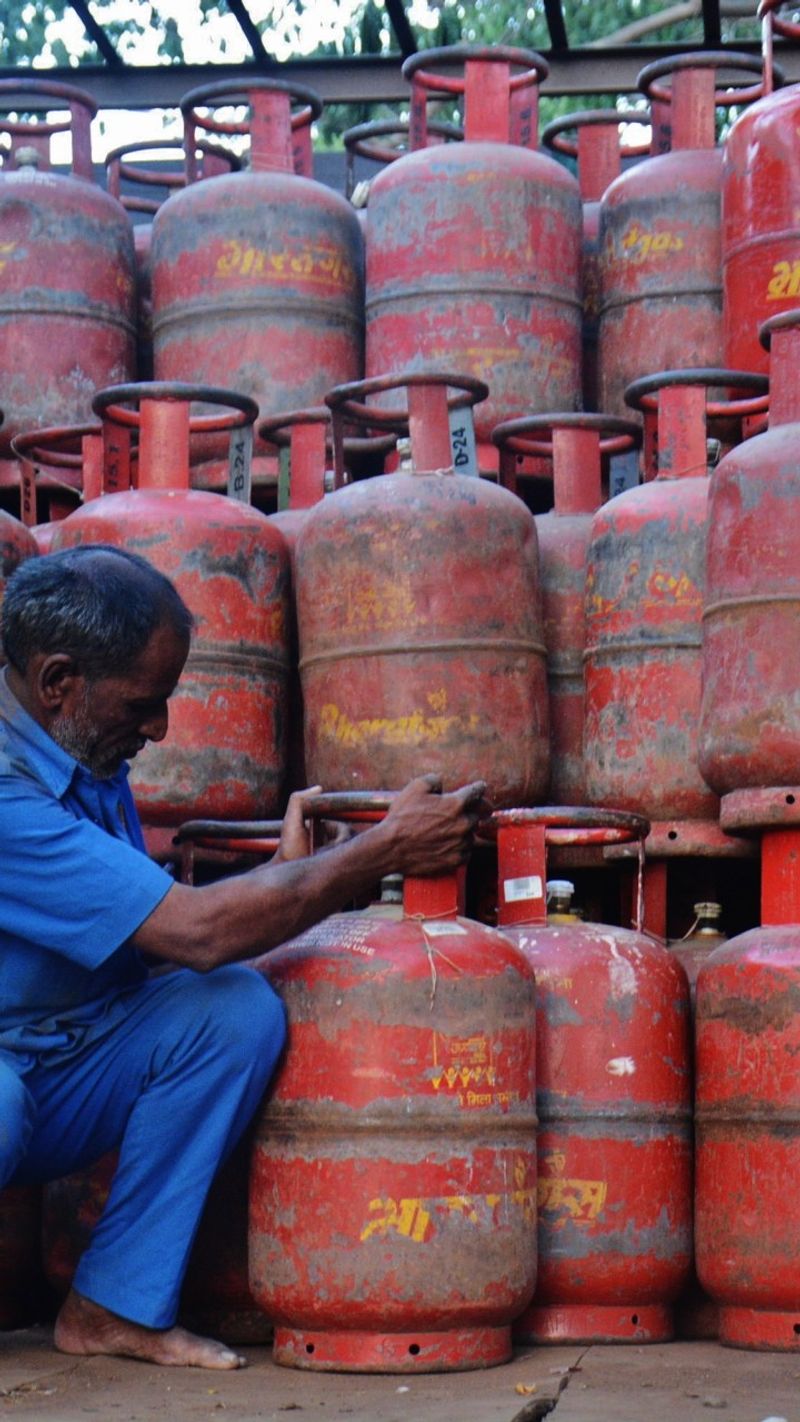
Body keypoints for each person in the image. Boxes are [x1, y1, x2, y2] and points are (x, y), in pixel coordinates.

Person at [0, 545, 485, 1372]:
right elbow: (194, 931)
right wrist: (373, 855)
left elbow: (153, 940)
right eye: (145, 704)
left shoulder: (82, 747)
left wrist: (281, 884)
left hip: (61, 1058)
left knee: (230, 1013)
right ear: (58, 681)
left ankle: (111, 1305)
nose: (159, 729)